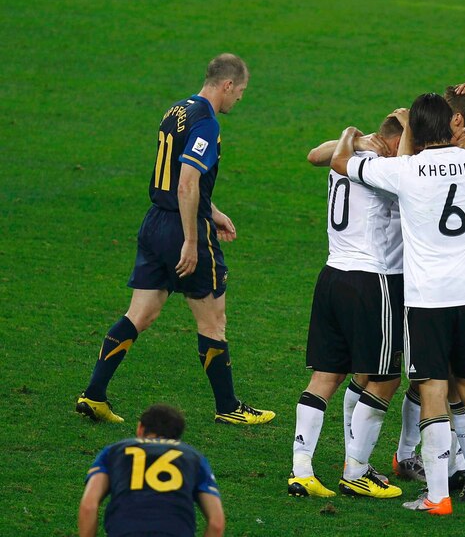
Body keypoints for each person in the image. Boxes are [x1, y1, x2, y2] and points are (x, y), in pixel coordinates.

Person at [330, 80, 465, 515]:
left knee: (431, 391)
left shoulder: (405, 171)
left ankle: (438, 497)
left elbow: (339, 162)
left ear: (416, 130)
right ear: (452, 125)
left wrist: (359, 135)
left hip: (427, 301)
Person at [75, 54, 275, 425]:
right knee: (213, 322)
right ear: (227, 85)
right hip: (183, 230)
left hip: (154, 222)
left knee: (140, 314)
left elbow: (172, 177)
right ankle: (228, 407)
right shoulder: (207, 124)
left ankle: (94, 394)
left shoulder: (177, 110)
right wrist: (190, 238)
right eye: (241, 92)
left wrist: (214, 212)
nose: (240, 100)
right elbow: (185, 182)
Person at [288, 114, 405, 499]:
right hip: (371, 280)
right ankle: (355, 471)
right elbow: (409, 169)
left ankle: (301, 469)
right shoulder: (386, 168)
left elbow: (313, 155)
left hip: (332, 275)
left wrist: (351, 136)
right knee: (386, 377)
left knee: (326, 377)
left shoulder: (348, 156)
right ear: (393, 143)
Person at [78, 404, 225, 537]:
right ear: (177, 438)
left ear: (140, 428)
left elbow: (89, 505)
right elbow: (216, 523)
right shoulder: (193, 457)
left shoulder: (114, 451)